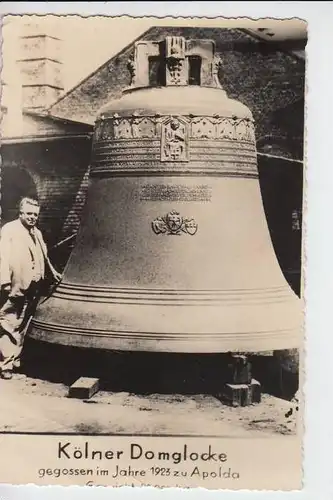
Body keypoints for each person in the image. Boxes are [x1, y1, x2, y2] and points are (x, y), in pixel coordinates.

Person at [0, 197, 62, 380]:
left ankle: (15, 360)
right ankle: (5, 364)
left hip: (34, 286)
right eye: (28, 213)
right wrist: (4, 281)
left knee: (24, 323)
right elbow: (2, 256)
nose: (32, 217)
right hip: (16, 284)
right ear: (20, 213)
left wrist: (53, 272)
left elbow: (44, 255)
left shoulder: (37, 233)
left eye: (35, 214)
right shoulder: (9, 230)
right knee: (9, 322)